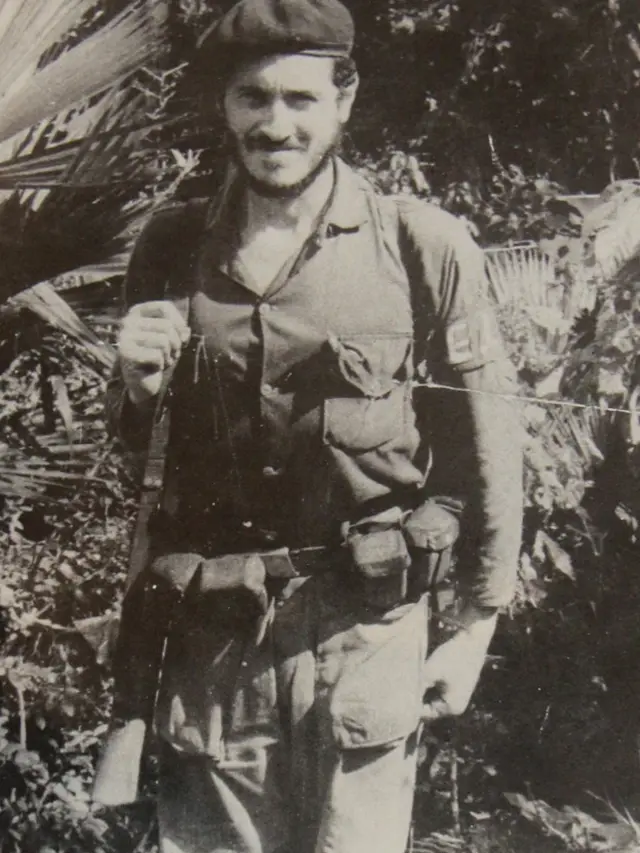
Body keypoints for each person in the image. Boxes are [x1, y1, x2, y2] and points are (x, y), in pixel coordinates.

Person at [104, 1, 523, 851]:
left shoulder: (420, 245)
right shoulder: (173, 245)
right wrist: (137, 385)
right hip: (214, 650)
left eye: (300, 98)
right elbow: (138, 458)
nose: (275, 124)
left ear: (345, 97)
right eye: (253, 98)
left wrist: (476, 622)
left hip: (364, 638)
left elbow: (492, 442)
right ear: (225, 106)